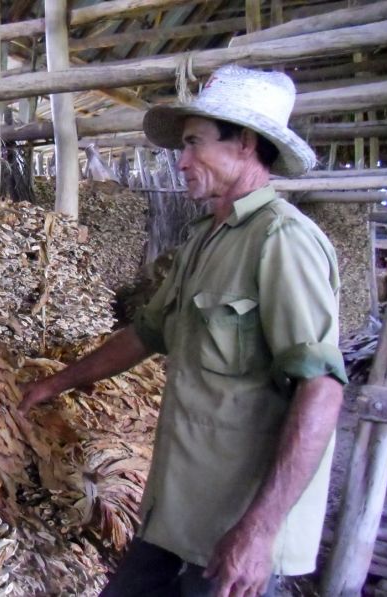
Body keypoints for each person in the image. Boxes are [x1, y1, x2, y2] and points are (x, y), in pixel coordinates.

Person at [19, 65, 347, 597]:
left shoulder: (282, 242)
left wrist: (259, 531)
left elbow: (322, 391)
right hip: (177, 512)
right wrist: (54, 383)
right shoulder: (203, 239)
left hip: (233, 530)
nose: (182, 159)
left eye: (194, 143)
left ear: (244, 143)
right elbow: (146, 334)